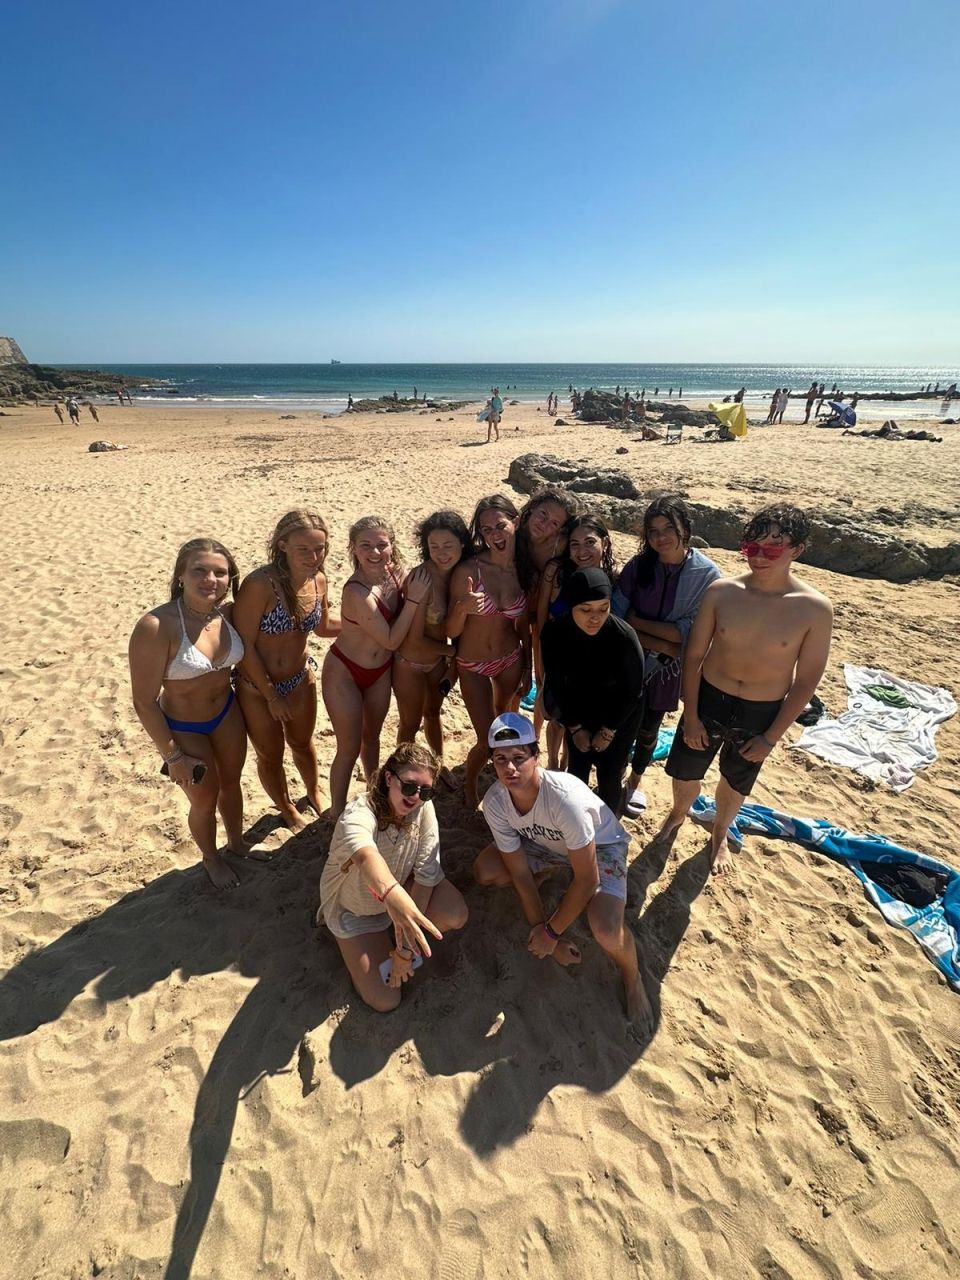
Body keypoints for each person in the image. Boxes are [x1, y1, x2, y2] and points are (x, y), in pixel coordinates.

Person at [656, 505, 833, 873]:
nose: (759, 557)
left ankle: (720, 831)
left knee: (736, 779)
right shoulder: (722, 592)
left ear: (797, 550)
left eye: (772, 549)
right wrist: (690, 715)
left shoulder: (814, 609)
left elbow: (806, 681)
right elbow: (693, 656)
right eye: (752, 548)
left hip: (762, 707)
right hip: (710, 696)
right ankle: (677, 814)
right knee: (686, 770)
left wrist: (771, 737)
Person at [474, 713, 653, 1030]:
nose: (510, 768)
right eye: (500, 759)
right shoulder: (497, 802)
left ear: (536, 757)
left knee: (607, 929)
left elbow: (587, 880)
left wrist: (551, 932)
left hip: (599, 848)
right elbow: (518, 874)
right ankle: (550, 874)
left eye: (519, 757)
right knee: (486, 870)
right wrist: (545, 935)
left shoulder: (564, 799)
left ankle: (632, 977)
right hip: (544, 843)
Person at [129, 538, 267, 889]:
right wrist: (172, 754)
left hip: (226, 712)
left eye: (221, 573)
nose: (211, 579)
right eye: (200, 570)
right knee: (204, 800)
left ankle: (236, 843)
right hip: (183, 724)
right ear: (180, 575)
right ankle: (211, 857)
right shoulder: (156, 626)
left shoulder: (230, 613)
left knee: (232, 783)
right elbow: (144, 702)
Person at [318, 742, 468, 1012]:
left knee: (454, 913)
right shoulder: (359, 813)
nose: (415, 796)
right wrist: (392, 896)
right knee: (386, 1000)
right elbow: (365, 856)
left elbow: (425, 874)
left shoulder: (422, 807)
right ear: (389, 778)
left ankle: (395, 930)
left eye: (425, 790)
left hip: (397, 891)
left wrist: (405, 951)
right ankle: (354, 940)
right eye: (409, 786)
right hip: (357, 910)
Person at [612, 497, 721, 816]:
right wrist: (662, 638)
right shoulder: (639, 566)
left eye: (668, 529)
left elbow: (691, 632)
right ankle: (616, 775)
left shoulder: (706, 574)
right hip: (629, 659)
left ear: (685, 529)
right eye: (652, 530)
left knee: (648, 729)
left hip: (667, 671)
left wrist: (639, 624)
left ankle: (636, 779)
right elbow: (617, 616)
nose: (660, 537)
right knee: (619, 724)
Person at [234, 510, 339, 830]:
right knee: (270, 754)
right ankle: (287, 807)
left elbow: (322, 628)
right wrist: (270, 696)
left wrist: (371, 623)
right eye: (303, 549)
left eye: (319, 549)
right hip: (256, 687)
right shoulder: (259, 584)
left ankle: (313, 791)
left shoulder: (318, 580)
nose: (313, 557)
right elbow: (244, 646)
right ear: (282, 546)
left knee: (303, 743)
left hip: (298, 679)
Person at [322, 516, 432, 820]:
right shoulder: (355, 592)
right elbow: (392, 639)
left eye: (382, 545)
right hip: (345, 671)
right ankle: (336, 812)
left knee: (372, 738)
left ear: (392, 546)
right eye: (365, 545)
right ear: (353, 549)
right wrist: (414, 601)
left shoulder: (396, 576)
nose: (375, 552)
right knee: (348, 747)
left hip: (379, 671)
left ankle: (374, 794)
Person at [447, 495, 530, 808]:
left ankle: (510, 783)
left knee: (510, 731)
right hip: (473, 663)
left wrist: (529, 668)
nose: (494, 535)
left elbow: (524, 627)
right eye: (485, 530)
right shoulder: (469, 570)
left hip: (511, 659)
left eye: (500, 526)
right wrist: (462, 608)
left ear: (516, 522)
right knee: (487, 739)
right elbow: (451, 632)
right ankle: (470, 784)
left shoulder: (524, 568)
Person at [540, 569, 644, 814]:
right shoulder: (555, 634)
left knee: (610, 776)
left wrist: (608, 731)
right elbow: (556, 682)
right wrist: (575, 727)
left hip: (619, 714)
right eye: (585, 609)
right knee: (577, 772)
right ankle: (576, 828)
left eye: (603, 608)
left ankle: (608, 835)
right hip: (579, 709)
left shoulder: (624, 637)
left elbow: (633, 691)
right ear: (571, 606)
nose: (595, 618)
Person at [535, 514, 617, 768]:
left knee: (580, 721)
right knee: (556, 720)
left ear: (603, 542)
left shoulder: (613, 576)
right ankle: (552, 764)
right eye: (575, 544)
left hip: (594, 664)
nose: (582, 551)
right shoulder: (556, 572)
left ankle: (568, 763)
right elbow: (540, 620)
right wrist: (540, 667)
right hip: (558, 659)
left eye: (589, 542)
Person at [393, 510, 470, 777]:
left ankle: (438, 763)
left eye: (448, 545)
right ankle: (403, 772)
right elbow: (413, 640)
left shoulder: (462, 573)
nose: (442, 552)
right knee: (410, 723)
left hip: (437, 659)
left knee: (434, 712)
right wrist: (451, 651)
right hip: (410, 662)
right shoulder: (422, 580)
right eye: (434, 546)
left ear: (463, 542)